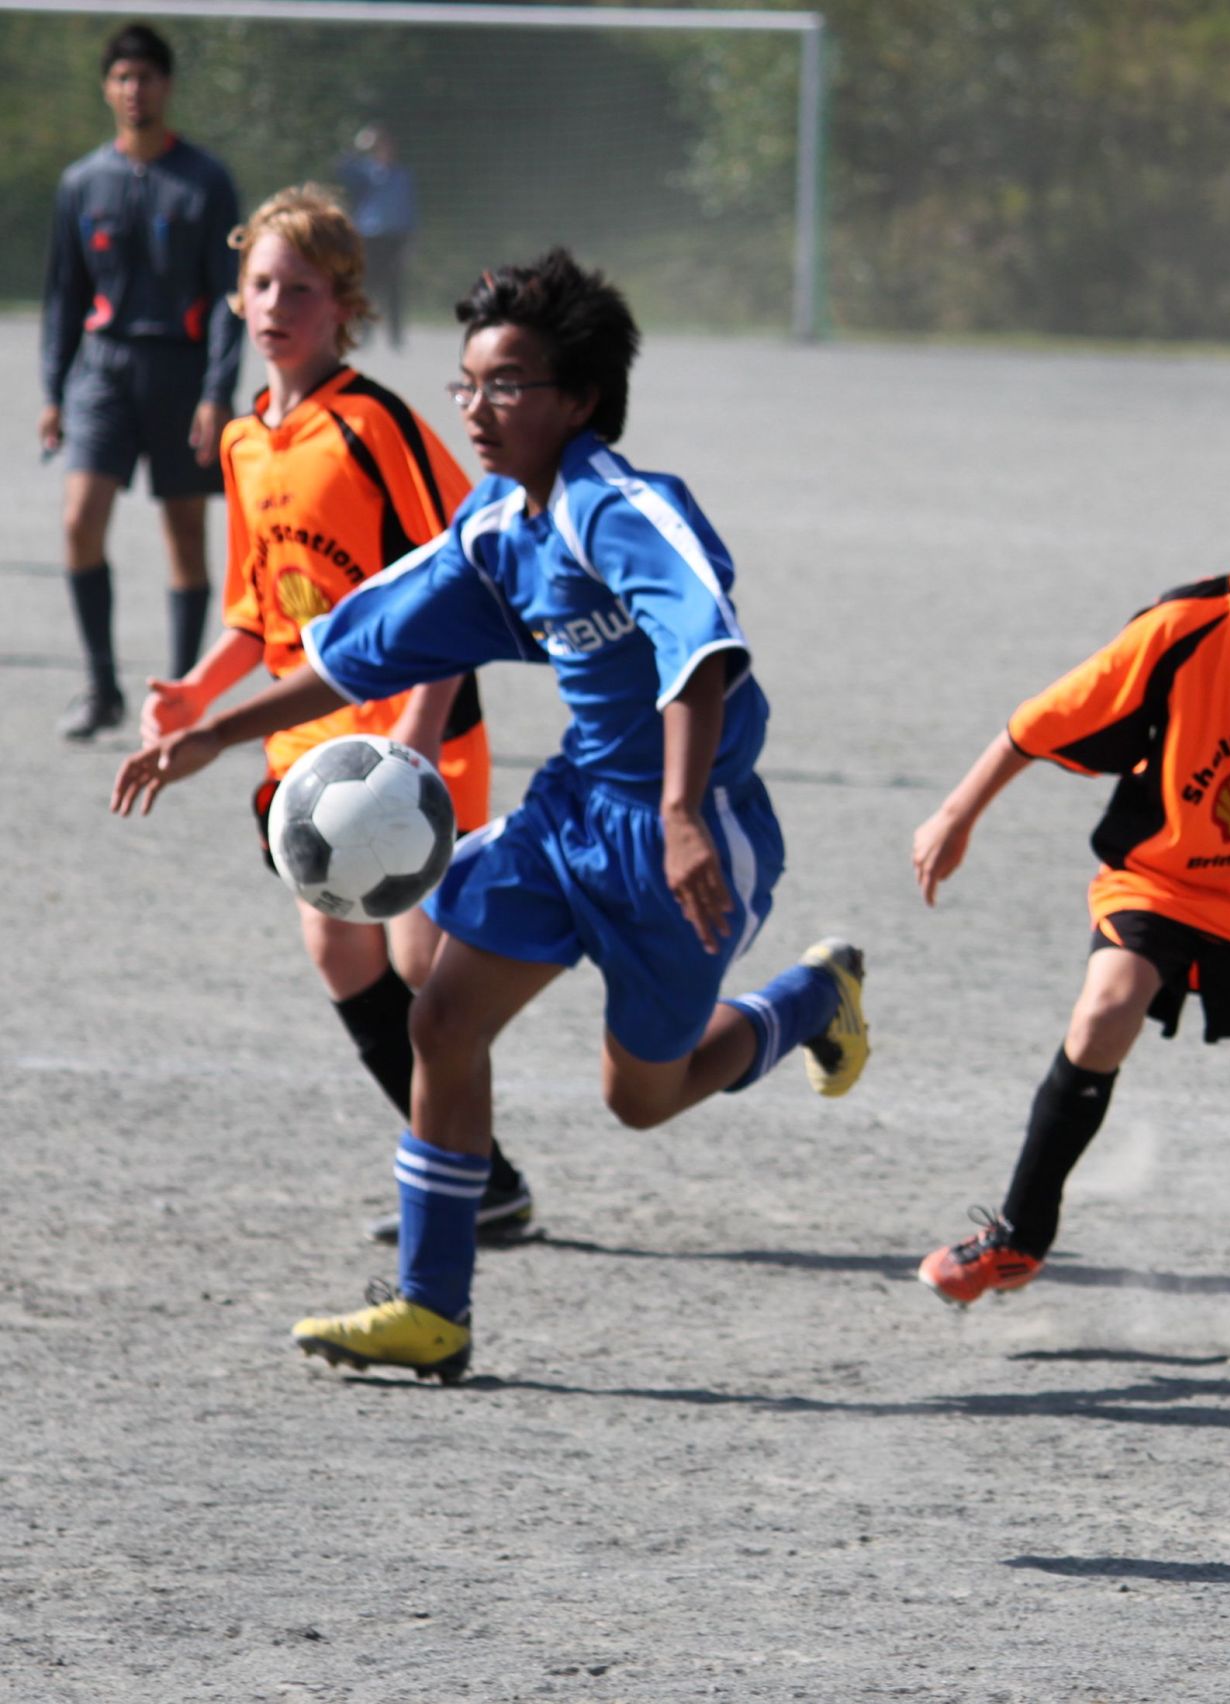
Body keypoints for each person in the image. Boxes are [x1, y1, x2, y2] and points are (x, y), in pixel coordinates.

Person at [112, 248, 870, 1382]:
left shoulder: (625, 508)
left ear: (581, 400)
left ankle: (812, 997)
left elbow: (701, 651)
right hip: (569, 815)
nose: (476, 408)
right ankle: (433, 1309)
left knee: (642, 1098)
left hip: (684, 829)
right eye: (467, 383)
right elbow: (356, 649)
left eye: (506, 384)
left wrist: (678, 813)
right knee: (442, 1020)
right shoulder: (496, 528)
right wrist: (214, 734)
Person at [911, 427, 1230, 1330]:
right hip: (1163, 883)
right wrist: (955, 814)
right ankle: (1018, 1236)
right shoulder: (1184, 626)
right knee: (1105, 1008)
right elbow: (1038, 723)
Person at [140, 184, 536, 1242]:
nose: (278, 305)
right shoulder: (242, 439)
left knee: (424, 969)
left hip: (417, 736)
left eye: (303, 289)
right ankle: (483, 1178)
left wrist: (420, 724)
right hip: (310, 746)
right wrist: (197, 690)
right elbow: (259, 611)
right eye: (262, 284)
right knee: (339, 953)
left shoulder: (374, 424)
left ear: (346, 307)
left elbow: (461, 576)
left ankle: (472, 1175)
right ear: (237, 297)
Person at [40, 21, 242, 740]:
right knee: (79, 520)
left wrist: (217, 392)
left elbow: (229, 297)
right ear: (107, 88)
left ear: (167, 86)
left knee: (184, 532)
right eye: (123, 78)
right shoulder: (81, 182)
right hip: (103, 370)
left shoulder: (206, 180)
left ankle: (179, 699)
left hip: (181, 372)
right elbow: (65, 293)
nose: (135, 90)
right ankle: (102, 688)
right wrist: (52, 390)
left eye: (147, 77)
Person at [335, 125, 416, 350]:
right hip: (369, 237)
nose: (385, 151)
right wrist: (357, 146)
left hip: (395, 237)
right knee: (367, 286)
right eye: (380, 147)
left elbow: (410, 209)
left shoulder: (402, 176)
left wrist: (411, 239)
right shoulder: (364, 173)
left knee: (394, 287)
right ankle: (364, 333)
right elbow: (340, 168)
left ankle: (395, 337)